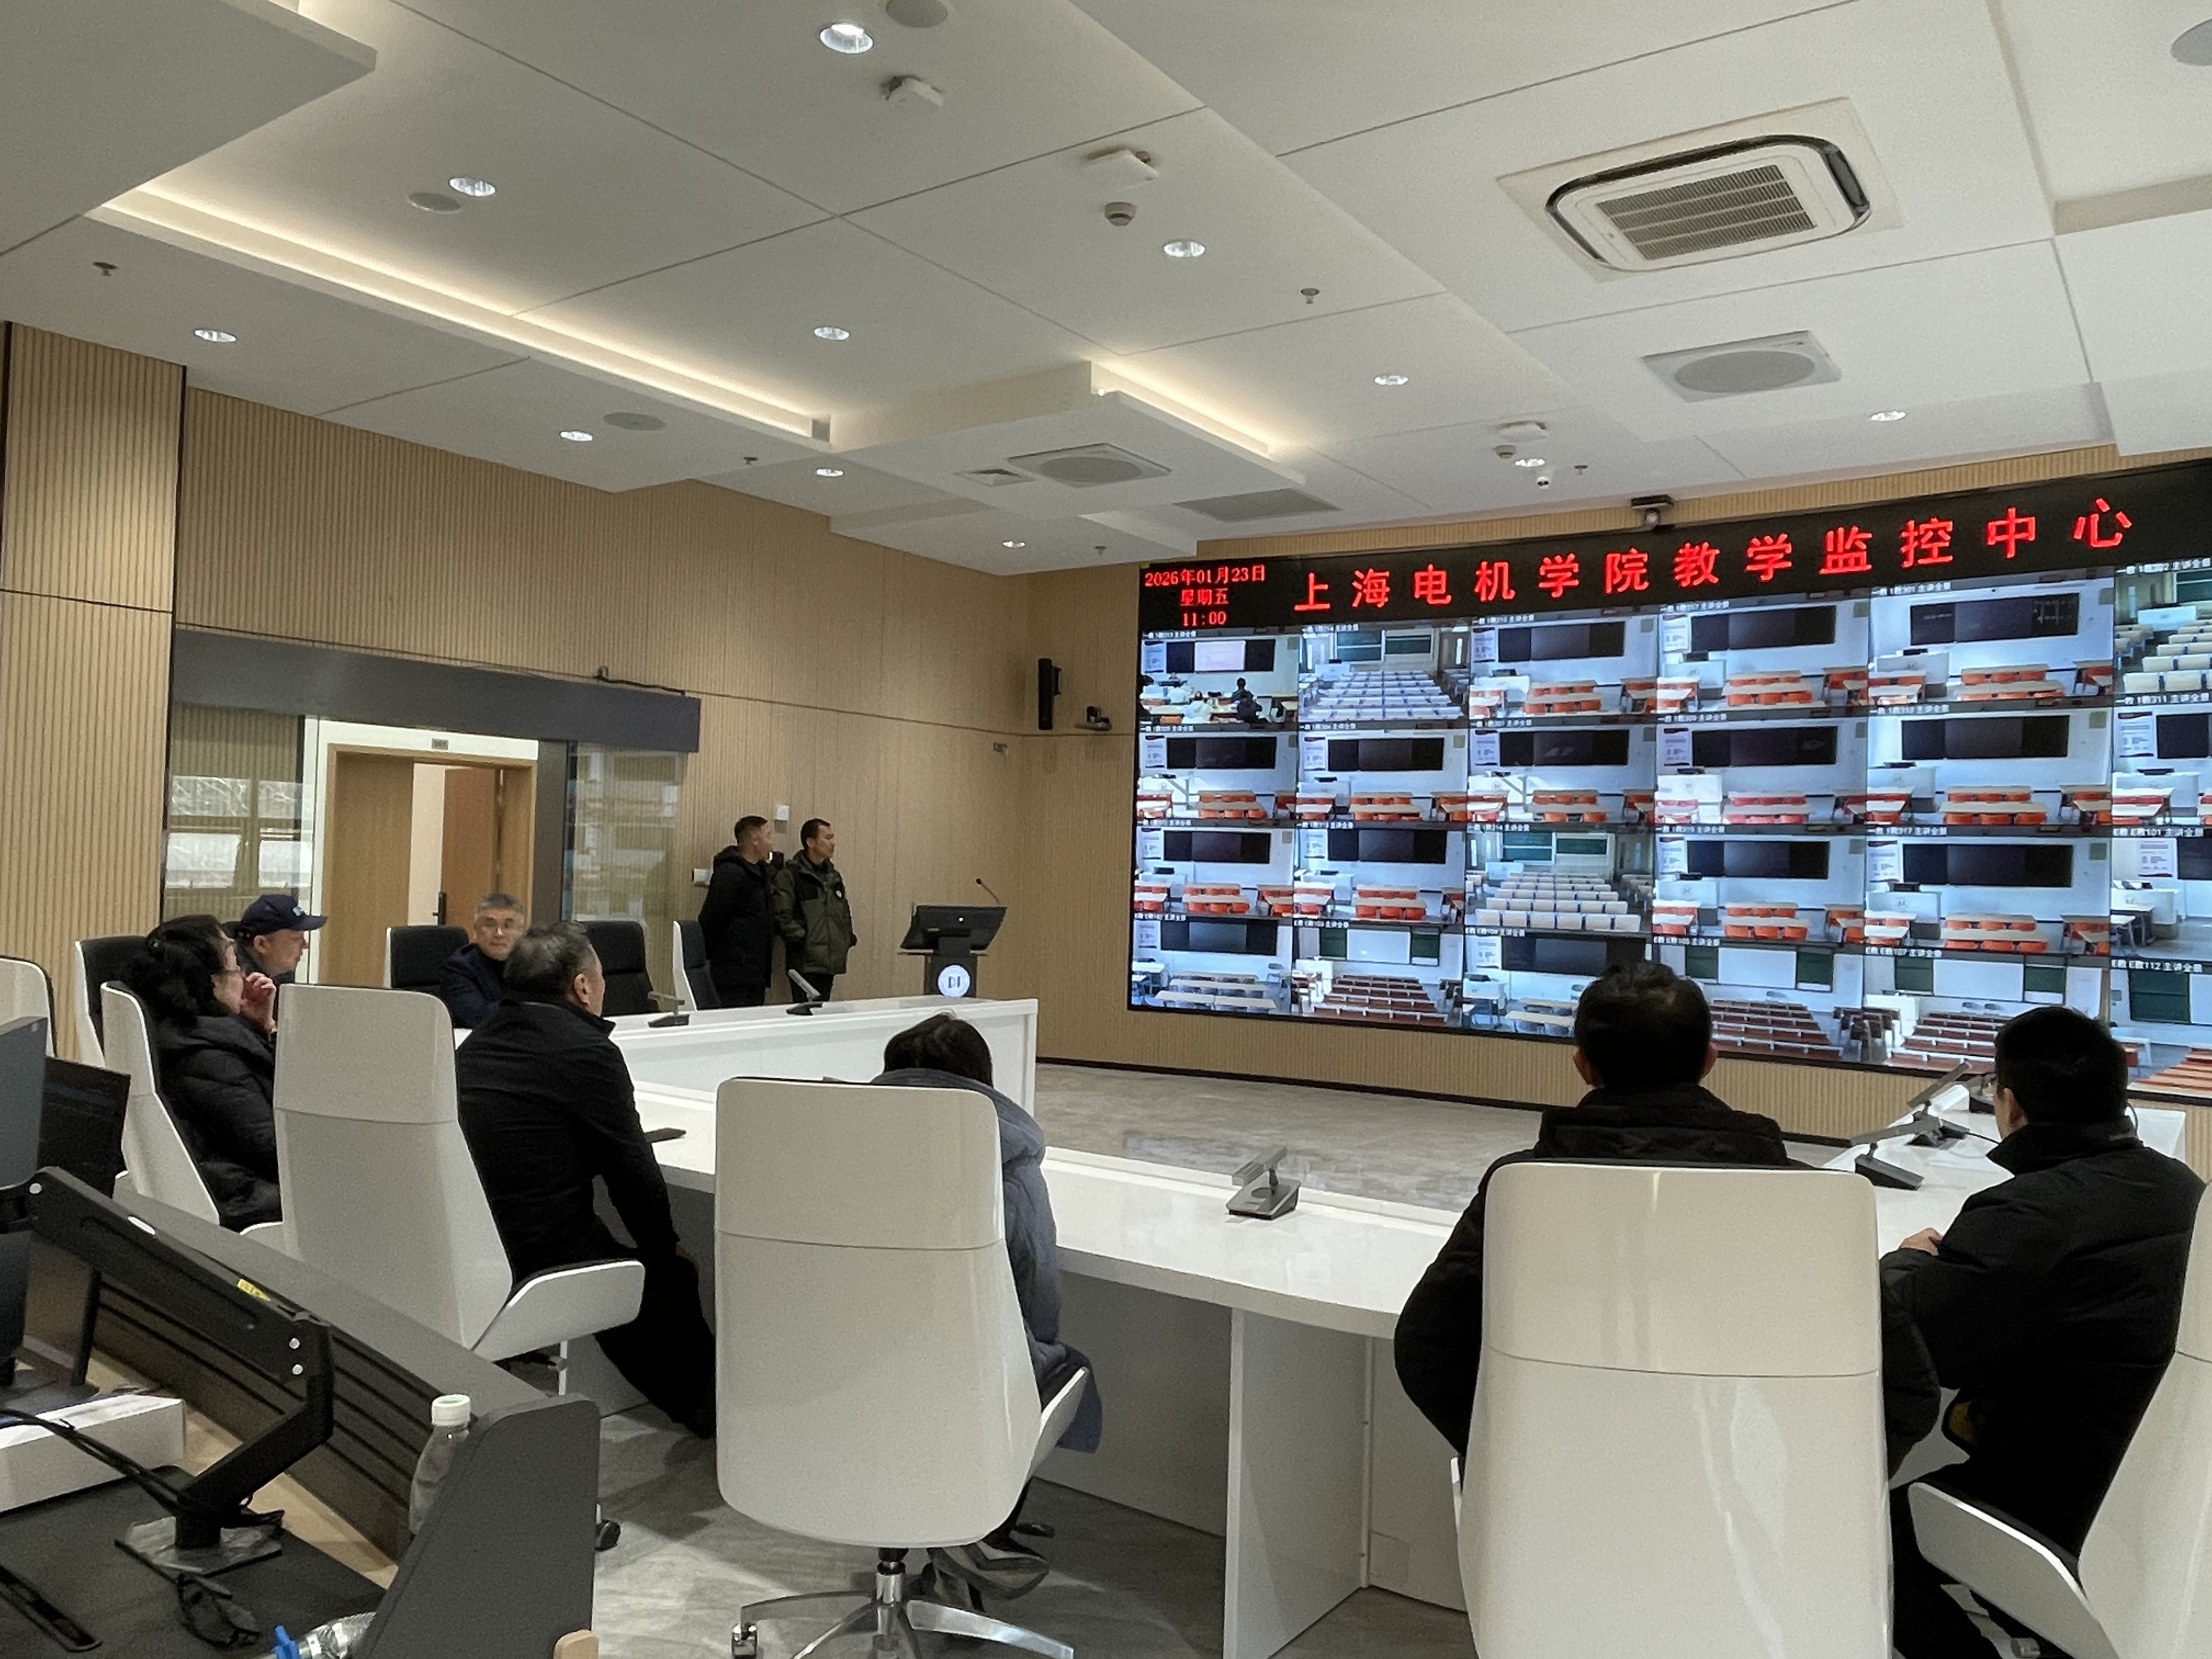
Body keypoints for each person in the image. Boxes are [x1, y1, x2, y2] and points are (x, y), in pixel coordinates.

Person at [1395, 961, 1940, 1471]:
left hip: (1552, 1492)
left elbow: (1428, 1347)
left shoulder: (1519, 1186)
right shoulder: (1811, 1199)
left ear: (1582, 1066)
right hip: (1763, 1506)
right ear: (1709, 1060)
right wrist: (1811, 1483)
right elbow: (1908, 1390)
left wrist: (1514, 1458)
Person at [1885, 1006, 2203, 1659]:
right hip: (2156, 1490)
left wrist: (1907, 1262)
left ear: (2009, 1104)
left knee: (1877, 1541)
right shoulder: (2185, 1189)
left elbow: (1927, 1343)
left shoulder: (2028, 1212)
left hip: (2057, 1500)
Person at [453, 923, 715, 1435]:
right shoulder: (585, 1050)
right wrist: (665, 1248)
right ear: (582, 987)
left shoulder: (477, 1046)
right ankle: (711, 1414)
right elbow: (632, 1174)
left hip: (476, 1245)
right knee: (666, 1278)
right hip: (540, 1253)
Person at [874, 1013, 1099, 1602]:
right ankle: (973, 1535)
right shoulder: (1010, 1169)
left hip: (859, 1375)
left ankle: (935, 1530)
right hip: (963, 1391)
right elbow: (1040, 1301)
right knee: (1054, 1367)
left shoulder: (844, 1155)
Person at [118, 916, 280, 1229]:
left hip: (236, 1183)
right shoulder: (205, 1057)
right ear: (212, 982)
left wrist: (263, 1027)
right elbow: (273, 1152)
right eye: (235, 966)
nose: (244, 977)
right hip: (246, 1201)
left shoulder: (188, 1034)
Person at [697, 816, 778, 1007]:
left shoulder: (761, 873)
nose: (772, 843)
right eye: (768, 836)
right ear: (755, 839)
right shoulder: (730, 873)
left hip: (756, 972)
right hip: (733, 973)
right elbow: (711, 920)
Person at [773, 817, 855, 1001]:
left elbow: (843, 912)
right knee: (807, 1010)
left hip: (830, 960)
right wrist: (801, 939)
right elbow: (782, 915)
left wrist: (847, 938)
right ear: (810, 842)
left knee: (824, 1010)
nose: (833, 843)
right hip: (805, 962)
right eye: (827, 838)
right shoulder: (791, 875)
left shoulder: (833, 876)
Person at [438, 892, 525, 1030]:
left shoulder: (532, 965)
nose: (499, 934)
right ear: (476, 930)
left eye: (508, 926)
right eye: (490, 925)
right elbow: (476, 1016)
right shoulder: (459, 967)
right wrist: (528, 1009)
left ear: (522, 932)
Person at [231, 893, 326, 988]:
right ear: (261, 944)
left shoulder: (278, 977)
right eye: (295, 938)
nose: (305, 945)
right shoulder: (234, 989)